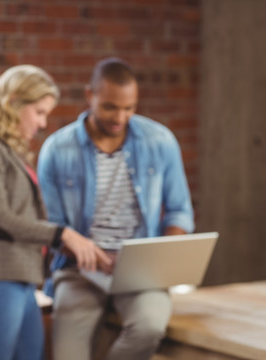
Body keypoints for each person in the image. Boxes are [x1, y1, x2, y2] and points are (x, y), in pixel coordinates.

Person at [37, 57, 195, 360]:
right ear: (89, 95)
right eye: (110, 107)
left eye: (129, 108)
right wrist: (95, 257)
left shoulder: (160, 141)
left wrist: (161, 256)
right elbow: (54, 227)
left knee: (149, 326)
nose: (120, 117)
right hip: (79, 273)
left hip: (142, 271)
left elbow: (178, 212)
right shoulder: (57, 149)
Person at [0, 65, 110, 360]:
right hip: (0, 276)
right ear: (14, 101)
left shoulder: (3, 147)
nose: (43, 123)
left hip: (21, 279)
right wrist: (61, 233)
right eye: (39, 112)